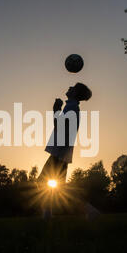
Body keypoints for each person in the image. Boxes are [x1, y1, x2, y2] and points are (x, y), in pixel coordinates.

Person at [37, 82, 92, 218]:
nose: (69, 87)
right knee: (58, 187)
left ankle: (88, 210)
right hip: (61, 152)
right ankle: (48, 214)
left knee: (46, 183)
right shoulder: (70, 107)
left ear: (75, 93)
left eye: (72, 87)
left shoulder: (72, 108)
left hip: (60, 153)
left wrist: (56, 110)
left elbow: (60, 128)